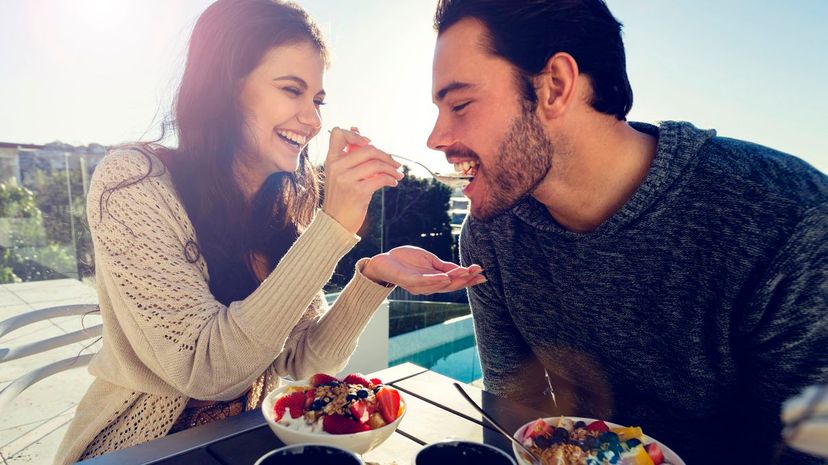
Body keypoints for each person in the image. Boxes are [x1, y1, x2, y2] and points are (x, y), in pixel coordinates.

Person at [55, 1, 484, 463]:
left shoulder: (279, 206)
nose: (314, 120)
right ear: (226, 88)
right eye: (291, 90)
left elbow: (303, 365)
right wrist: (333, 226)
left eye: (317, 100)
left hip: (246, 443)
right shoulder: (133, 183)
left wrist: (372, 279)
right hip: (138, 450)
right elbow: (207, 371)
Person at [425, 1, 827, 464]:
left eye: (460, 104)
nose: (435, 137)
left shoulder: (790, 223)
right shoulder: (493, 235)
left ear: (555, 85)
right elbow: (512, 412)